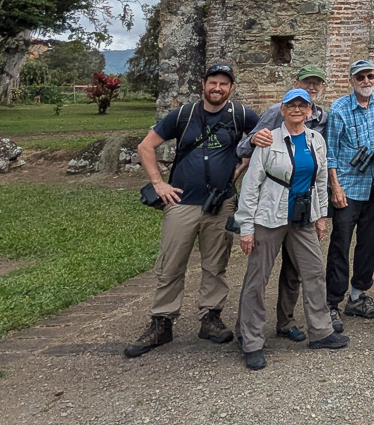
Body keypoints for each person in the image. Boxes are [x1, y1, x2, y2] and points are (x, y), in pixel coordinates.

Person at [124, 62, 258, 358]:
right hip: (181, 202)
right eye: (213, 82)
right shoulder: (183, 115)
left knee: (215, 264)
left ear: (231, 87)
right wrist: (158, 183)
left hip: (220, 203)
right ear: (203, 84)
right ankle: (162, 321)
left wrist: (240, 168)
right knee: (171, 264)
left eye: (224, 84)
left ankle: (210, 317)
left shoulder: (241, 116)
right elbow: (146, 146)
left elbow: (260, 141)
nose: (217, 88)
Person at [236, 89, 348, 369]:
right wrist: (246, 226)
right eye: (291, 105)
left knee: (314, 272)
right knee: (257, 278)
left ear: (309, 111)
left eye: (302, 105)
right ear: (282, 110)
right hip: (269, 216)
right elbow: (251, 185)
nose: (297, 109)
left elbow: (320, 181)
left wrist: (321, 217)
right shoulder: (268, 140)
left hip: (303, 217)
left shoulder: (316, 140)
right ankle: (251, 340)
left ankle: (321, 331)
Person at [322, 60, 374, 333]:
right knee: (340, 244)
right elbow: (330, 153)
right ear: (351, 80)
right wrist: (335, 187)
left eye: (370, 76)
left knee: (369, 242)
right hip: (348, 188)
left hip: (373, 187)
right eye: (360, 77)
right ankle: (332, 302)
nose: (366, 81)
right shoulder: (339, 109)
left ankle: (358, 295)